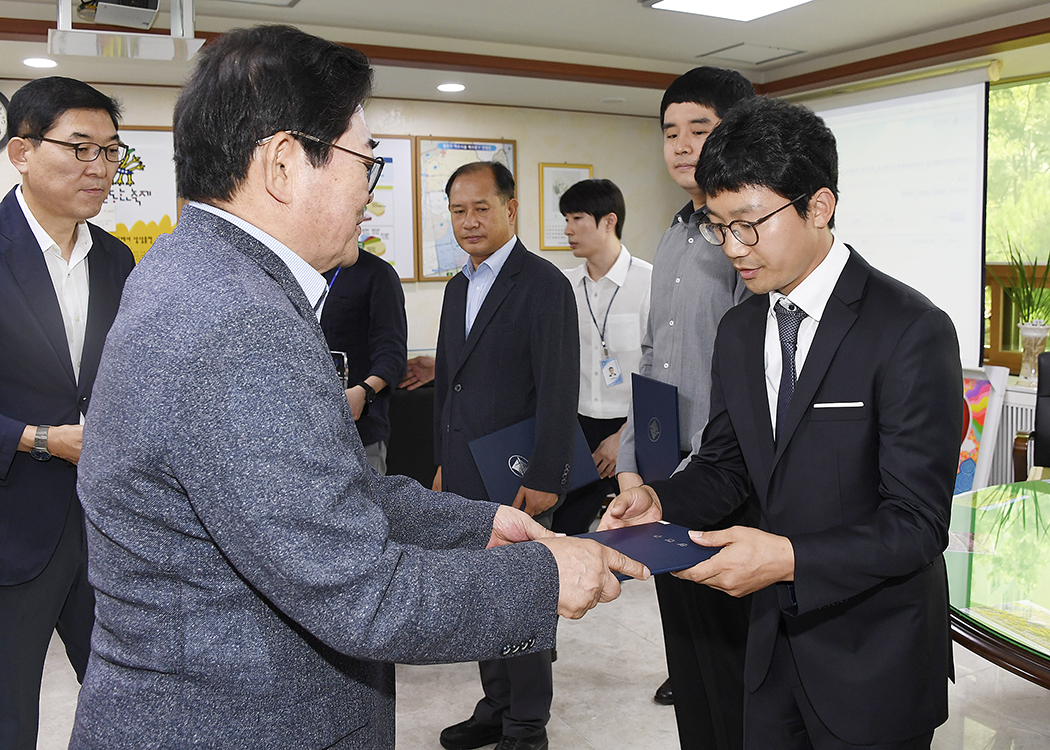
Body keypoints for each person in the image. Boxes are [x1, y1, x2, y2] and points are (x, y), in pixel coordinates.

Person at [69, 26, 645, 750]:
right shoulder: (235, 319)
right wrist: (543, 576)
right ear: (283, 163)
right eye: (363, 164)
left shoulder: (198, 274)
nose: (367, 195)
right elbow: (361, 594)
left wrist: (476, 526)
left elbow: (326, 491)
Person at [602, 95, 962, 749]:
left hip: (873, 657)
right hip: (769, 651)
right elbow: (727, 464)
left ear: (818, 206)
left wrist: (789, 558)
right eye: (718, 226)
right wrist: (660, 499)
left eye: (749, 224)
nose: (733, 247)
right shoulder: (742, 330)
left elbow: (916, 524)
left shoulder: (910, 330)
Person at [614, 66, 757, 749]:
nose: (680, 145)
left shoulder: (745, 239)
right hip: (670, 471)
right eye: (670, 132)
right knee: (686, 648)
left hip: (725, 475)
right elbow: (652, 357)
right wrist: (638, 463)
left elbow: (750, 374)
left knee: (728, 655)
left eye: (699, 129)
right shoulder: (672, 235)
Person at [0, 76, 135, 750]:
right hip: (11, 528)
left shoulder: (116, 259)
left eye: (110, 152)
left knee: (132, 706)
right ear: (21, 151)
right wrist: (38, 439)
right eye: (80, 148)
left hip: (105, 530)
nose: (99, 168)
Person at [433, 161, 579, 750]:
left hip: (517, 475)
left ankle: (527, 726)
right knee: (480, 598)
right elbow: (449, 380)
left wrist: (549, 474)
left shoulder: (543, 284)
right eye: (458, 211)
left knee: (522, 600)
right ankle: (495, 705)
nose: (469, 222)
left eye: (481, 208)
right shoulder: (456, 286)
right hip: (465, 469)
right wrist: (442, 459)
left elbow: (558, 385)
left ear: (511, 209)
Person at [552, 178, 651, 535]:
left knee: (641, 529)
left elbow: (657, 372)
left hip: (631, 425)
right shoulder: (563, 287)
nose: (567, 229)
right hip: (578, 425)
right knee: (568, 529)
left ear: (609, 221)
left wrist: (625, 436)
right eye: (566, 219)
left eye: (577, 218)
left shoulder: (648, 283)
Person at [320, 247, 408, 474]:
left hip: (361, 432)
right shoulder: (293, 269)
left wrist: (364, 391)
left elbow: (392, 355)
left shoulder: (377, 273)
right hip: (304, 432)